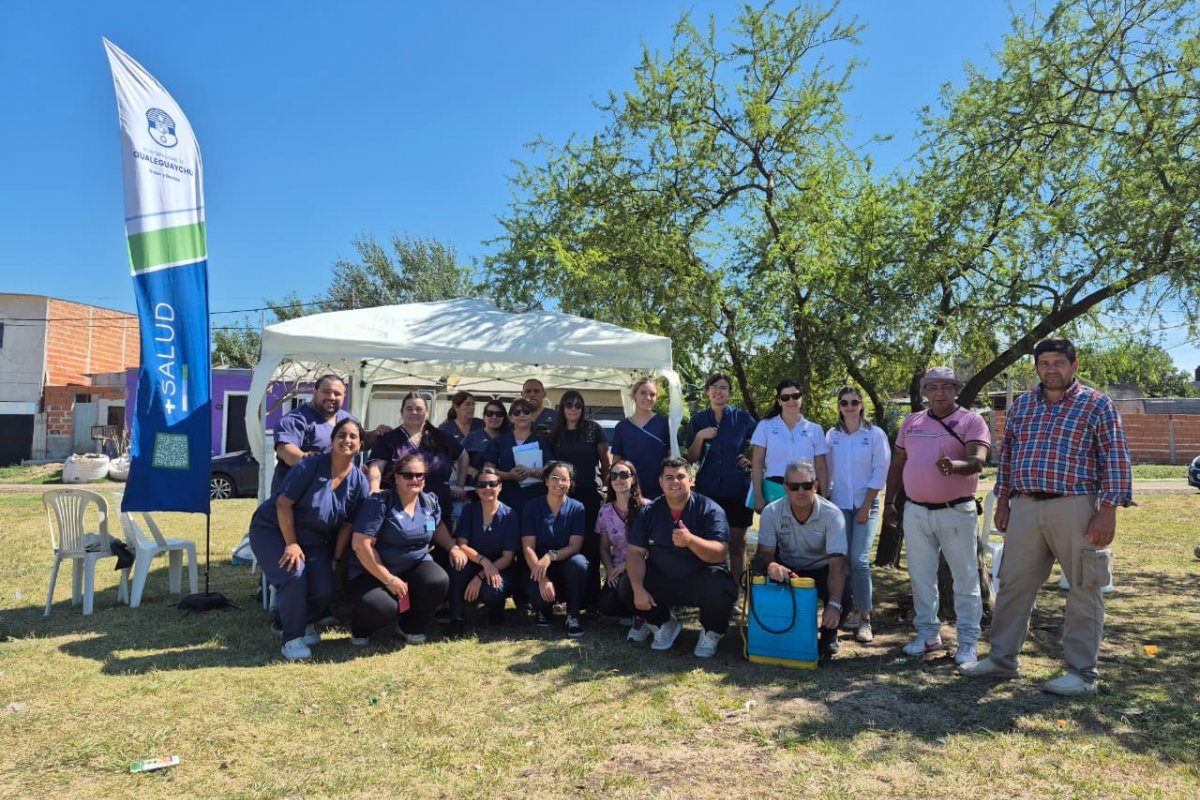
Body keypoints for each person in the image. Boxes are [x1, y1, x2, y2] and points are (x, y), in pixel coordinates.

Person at [959, 338, 1132, 696]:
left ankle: (1082, 674)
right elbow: (1008, 456)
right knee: (1013, 583)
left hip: (1075, 505)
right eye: (1044, 363)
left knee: (1084, 586)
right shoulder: (1023, 406)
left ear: (1074, 365)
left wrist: (1107, 511)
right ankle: (1002, 660)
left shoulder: (1096, 404)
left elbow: (1115, 456)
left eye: (1059, 362)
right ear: (1036, 367)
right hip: (1025, 506)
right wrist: (1003, 501)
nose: (1051, 369)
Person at [884, 366, 990, 666]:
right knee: (920, 577)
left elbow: (978, 460)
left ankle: (968, 642)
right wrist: (890, 501)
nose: (939, 392)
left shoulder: (971, 420)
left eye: (946, 387)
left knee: (965, 578)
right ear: (925, 392)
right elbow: (898, 463)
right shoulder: (912, 422)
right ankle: (928, 635)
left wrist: (955, 466)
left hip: (956, 511)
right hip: (916, 510)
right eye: (933, 387)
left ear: (956, 390)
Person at [248, 418, 371, 660]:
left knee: (324, 588)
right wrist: (291, 544)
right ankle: (291, 639)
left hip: (312, 539)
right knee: (294, 573)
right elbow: (283, 504)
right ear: (332, 441)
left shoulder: (359, 482)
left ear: (360, 445)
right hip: (273, 529)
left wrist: (335, 559)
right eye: (341, 435)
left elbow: (348, 525)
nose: (346, 440)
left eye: (353, 437)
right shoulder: (310, 466)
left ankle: (292, 620)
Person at [618, 456, 738, 658]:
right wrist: (638, 590)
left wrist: (691, 541)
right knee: (628, 585)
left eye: (680, 477)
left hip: (700, 578)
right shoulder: (649, 512)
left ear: (690, 480)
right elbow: (635, 552)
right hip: (664, 578)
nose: (675, 482)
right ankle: (663, 623)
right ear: (660, 482)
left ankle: (712, 632)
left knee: (722, 587)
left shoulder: (710, 509)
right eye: (669, 477)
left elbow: (719, 553)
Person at [347, 453, 466, 645]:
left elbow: (437, 528)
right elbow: (361, 545)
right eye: (408, 475)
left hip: (414, 565)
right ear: (396, 477)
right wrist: (388, 579)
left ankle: (410, 626)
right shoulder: (380, 502)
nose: (415, 479)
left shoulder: (429, 502)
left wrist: (453, 547)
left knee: (438, 580)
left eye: (420, 475)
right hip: (373, 571)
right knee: (384, 608)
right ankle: (361, 628)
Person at [755, 460, 847, 659]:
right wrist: (772, 565)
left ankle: (828, 635)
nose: (801, 491)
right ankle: (774, 628)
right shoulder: (771, 512)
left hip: (821, 568)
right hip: (786, 567)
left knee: (845, 593)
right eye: (794, 486)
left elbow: (837, 564)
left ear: (815, 486)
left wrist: (834, 605)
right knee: (757, 574)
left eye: (806, 485)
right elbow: (764, 553)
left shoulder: (832, 514)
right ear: (785, 487)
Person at [826, 386, 890, 643]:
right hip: (839, 504)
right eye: (844, 402)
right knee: (841, 560)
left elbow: (880, 471)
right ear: (839, 406)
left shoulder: (875, 434)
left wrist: (866, 506)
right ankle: (847, 610)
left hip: (867, 504)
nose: (849, 407)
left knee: (860, 561)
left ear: (862, 405)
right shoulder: (832, 435)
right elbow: (827, 469)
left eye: (854, 402)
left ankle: (865, 619)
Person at [685, 372, 756, 585]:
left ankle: (735, 591)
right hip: (708, 492)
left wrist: (752, 459)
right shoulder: (698, 420)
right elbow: (691, 457)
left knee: (737, 544)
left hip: (738, 490)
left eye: (723, 387)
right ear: (707, 392)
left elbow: (763, 442)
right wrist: (700, 436)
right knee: (709, 543)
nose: (718, 391)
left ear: (730, 393)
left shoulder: (742, 418)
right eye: (714, 387)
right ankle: (711, 590)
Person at [547, 390, 610, 610]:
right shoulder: (555, 434)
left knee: (590, 547)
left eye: (578, 405)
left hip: (589, 495)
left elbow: (606, 463)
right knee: (564, 545)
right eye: (569, 405)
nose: (573, 409)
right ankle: (563, 597)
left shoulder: (593, 429)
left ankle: (591, 602)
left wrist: (606, 487)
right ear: (562, 408)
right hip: (562, 496)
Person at [367, 392, 468, 520]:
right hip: (397, 510)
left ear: (427, 412)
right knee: (404, 532)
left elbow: (463, 456)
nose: (414, 412)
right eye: (409, 409)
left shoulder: (442, 438)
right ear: (402, 412)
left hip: (434, 509)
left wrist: (460, 485)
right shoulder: (388, 439)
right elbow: (376, 467)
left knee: (431, 530)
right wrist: (375, 488)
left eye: (419, 409)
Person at [447, 467, 519, 635]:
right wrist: (484, 562)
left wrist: (480, 576)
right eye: (482, 484)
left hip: (500, 566)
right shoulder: (469, 510)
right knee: (457, 567)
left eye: (492, 484)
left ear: (500, 486)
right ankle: (456, 618)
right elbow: (462, 544)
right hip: (474, 561)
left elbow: (508, 557)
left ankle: (496, 609)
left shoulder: (510, 515)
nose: (487, 488)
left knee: (493, 590)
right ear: (477, 489)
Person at [520, 461, 588, 637]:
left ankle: (573, 616)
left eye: (564, 479)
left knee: (579, 563)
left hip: (565, 564)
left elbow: (575, 546)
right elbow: (528, 547)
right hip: (538, 567)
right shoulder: (532, 507)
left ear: (570, 483)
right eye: (555, 478)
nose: (559, 483)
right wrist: (542, 579)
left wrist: (550, 556)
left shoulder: (577, 508)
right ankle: (544, 610)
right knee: (538, 597)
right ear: (546, 481)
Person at [750, 379, 830, 513]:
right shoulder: (765, 426)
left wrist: (824, 497)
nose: (791, 401)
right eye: (785, 397)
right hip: (774, 488)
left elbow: (821, 467)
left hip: (806, 490)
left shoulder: (815, 429)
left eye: (795, 396)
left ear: (802, 398)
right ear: (779, 401)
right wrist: (758, 496)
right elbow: (757, 462)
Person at [271, 374, 356, 492]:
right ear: (315, 392)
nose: (331, 397)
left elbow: (363, 441)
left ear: (344, 397)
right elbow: (286, 452)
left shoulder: (348, 420)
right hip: (296, 497)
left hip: (335, 496)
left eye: (337, 394)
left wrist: (377, 434)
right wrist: (310, 462)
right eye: (326, 392)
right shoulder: (295, 420)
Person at [596, 459, 651, 640]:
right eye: (613, 475)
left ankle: (644, 618)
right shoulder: (605, 511)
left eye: (623, 475)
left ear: (633, 479)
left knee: (627, 584)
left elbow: (653, 545)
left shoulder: (648, 508)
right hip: (616, 567)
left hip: (644, 565)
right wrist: (610, 569)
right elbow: (604, 548)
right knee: (606, 605)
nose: (618, 479)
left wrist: (627, 565)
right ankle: (631, 611)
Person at [482, 398, 555, 517]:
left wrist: (531, 471)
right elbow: (487, 469)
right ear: (510, 418)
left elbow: (551, 470)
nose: (522, 415)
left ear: (533, 416)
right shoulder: (499, 441)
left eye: (526, 411)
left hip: (535, 500)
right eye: (517, 412)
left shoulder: (543, 442)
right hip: (505, 501)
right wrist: (508, 476)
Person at [610, 377, 671, 500]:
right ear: (634, 395)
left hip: (658, 489)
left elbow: (670, 456)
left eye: (652, 394)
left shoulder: (664, 423)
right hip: (629, 488)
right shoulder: (622, 427)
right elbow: (617, 460)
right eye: (643, 393)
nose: (648, 397)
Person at [462, 398, 510, 483]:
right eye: (489, 413)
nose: (494, 417)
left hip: (506, 486)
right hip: (475, 486)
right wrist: (474, 472)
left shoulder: (510, 438)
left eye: (499, 414)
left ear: (504, 417)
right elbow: (456, 459)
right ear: (484, 416)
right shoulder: (472, 437)